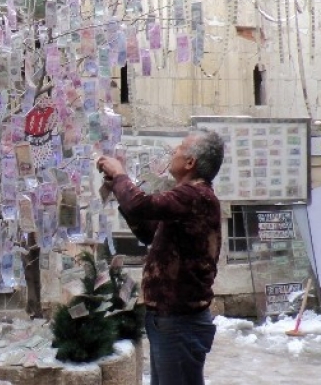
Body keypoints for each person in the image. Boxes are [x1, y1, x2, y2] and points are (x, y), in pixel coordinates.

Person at [96, 129, 225, 385]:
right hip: (168, 320)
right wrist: (118, 190)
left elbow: (140, 205)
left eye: (179, 148)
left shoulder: (195, 196)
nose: (173, 152)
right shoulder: (188, 199)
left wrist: (120, 174)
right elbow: (148, 232)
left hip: (180, 322)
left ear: (190, 163)